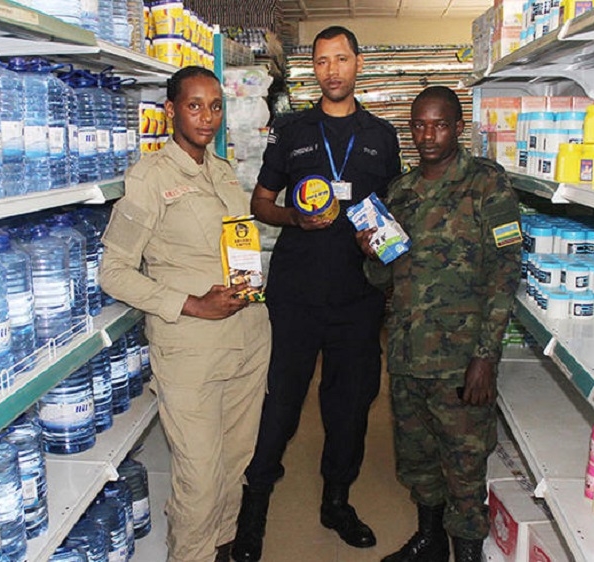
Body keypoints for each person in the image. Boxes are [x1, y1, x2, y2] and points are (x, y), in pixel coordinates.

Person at [233, 26, 402, 562]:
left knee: (349, 408)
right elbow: (260, 202)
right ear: (313, 68)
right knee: (280, 404)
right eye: (323, 61)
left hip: (358, 298)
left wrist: (382, 244)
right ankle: (253, 510)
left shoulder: (382, 137)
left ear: (358, 64)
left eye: (342, 59)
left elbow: (395, 210)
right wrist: (294, 218)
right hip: (296, 295)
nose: (333, 70)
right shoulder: (291, 131)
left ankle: (337, 502)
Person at [99, 66, 272, 562]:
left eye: (215, 106)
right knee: (199, 477)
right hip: (191, 349)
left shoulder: (222, 170)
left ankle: (221, 547)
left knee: (235, 462)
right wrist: (193, 304)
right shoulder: (150, 177)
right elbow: (114, 272)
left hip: (248, 339)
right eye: (195, 106)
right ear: (171, 110)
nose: (207, 117)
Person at [356, 86, 521, 562]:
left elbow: (506, 272)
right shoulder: (400, 193)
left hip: (461, 361)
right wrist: (371, 254)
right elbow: (381, 279)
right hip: (408, 354)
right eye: (420, 125)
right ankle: (429, 541)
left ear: (458, 128)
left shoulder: (486, 184)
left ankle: (466, 552)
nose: (428, 136)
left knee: (464, 466)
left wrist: (486, 357)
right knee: (418, 459)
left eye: (440, 125)